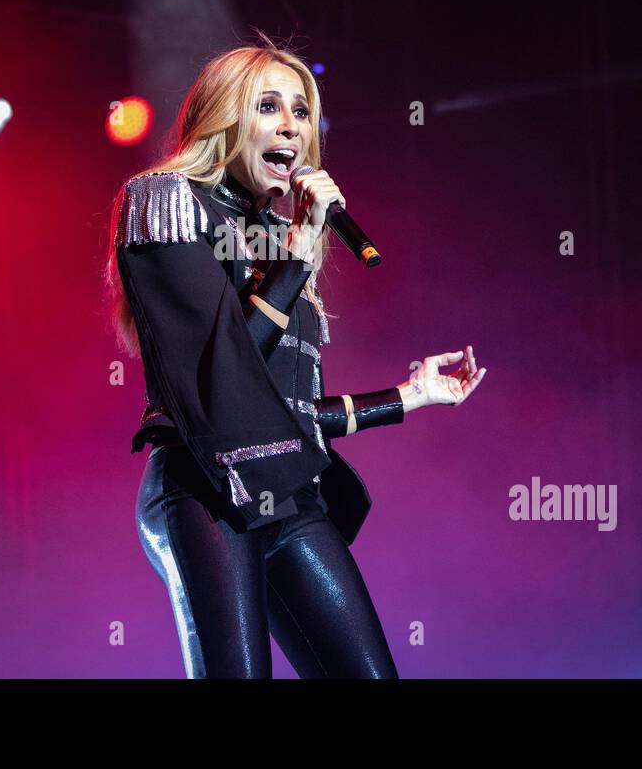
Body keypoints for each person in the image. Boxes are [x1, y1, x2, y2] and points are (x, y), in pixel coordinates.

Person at [104, 41, 485, 678]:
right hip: (206, 486)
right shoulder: (164, 201)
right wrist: (297, 257)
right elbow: (222, 378)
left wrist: (408, 396)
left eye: (303, 112)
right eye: (270, 107)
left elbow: (288, 411)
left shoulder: (279, 241)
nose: (292, 126)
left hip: (288, 492)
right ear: (225, 119)